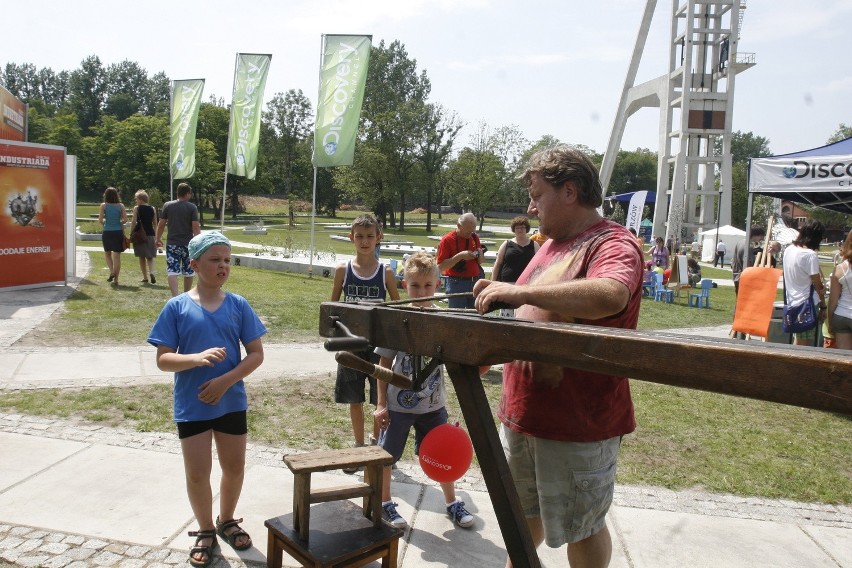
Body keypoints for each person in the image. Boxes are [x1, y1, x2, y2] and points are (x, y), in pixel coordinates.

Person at [472, 145, 643, 568]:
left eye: (536, 194)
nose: (530, 207)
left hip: (580, 422)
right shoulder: (549, 246)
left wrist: (520, 291)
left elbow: (611, 293)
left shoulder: (612, 241)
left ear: (569, 191)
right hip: (525, 413)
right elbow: (534, 313)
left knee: (581, 528)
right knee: (522, 518)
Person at [147, 232, 267, 567]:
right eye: (215, 259)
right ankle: (204, 529)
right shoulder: (176, 307)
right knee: (198, 473)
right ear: (195, 264)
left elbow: (256, 354)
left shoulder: (238, 305)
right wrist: (196, 359)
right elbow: (162, 359)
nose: (223, 266)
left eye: (227, 260)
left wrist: (227, 381)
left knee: (234, 467)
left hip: (230, 402)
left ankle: (226, 519)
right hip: (193, 404)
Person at [372, 252, 477, 530]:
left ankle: (452, 502)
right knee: (386, 456)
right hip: (398, 405)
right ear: (405, 284)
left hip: (433, 405)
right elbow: (383, 363)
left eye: (428, 286)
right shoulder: (397, 318)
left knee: (443, 454)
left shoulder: (443, 321)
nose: (421, 291)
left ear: (438, 285)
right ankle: (383, 502)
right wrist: (381, 403)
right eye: (415, 285)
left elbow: (455, 363)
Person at [331, 214, 400, 469]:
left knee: (378, 398)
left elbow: (397, 307)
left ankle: (375, 445)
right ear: (351, 238)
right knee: (354, 397)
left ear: (378, 238)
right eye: (359, 236)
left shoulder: (386, 272)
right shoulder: (342, 270)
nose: (364, 241)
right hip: (350, 345)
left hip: (378, 346)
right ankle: (358, 447)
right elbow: (332, 309)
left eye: (370, 236)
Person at [782, 219, 827, 347]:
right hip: (807, 304)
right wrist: (823, 306)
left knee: (798, 340)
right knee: (803, 344)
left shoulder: (789, 249)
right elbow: (819, 285)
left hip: (792, 301)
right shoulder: (810, 255)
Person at [156, 182, 201, 297]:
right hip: (188, 244)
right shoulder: (192, 207)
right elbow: (195, 226)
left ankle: (175, 297)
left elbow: (161, 224)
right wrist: (199, 241)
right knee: (189, 271)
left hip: (172, 244)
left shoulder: (168, 205)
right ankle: (186, 295)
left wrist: (157, 238)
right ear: (187, 194)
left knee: (172, 271)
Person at [436, 212, 483, 309]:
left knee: (476, 318)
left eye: (472, 231)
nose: (470, 235)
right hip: (456, 283)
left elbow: (481, 261)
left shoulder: (474, 237)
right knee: (456, 317)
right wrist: (460, 256)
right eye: (467, 232)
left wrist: (480, 254)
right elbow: (440, 266)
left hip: (475, 282)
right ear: (458, 226)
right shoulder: (447, 240)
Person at [492, 216, 539, 284]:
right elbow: (498, 264)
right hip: (507, 283)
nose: (520, 230)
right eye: (517, 228)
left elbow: (539, 265)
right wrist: (492, 282)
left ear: (527, 229)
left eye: (522, 227)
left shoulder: (534, 245)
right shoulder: (506, 244)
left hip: (528, 283)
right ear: (514, 229)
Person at [827, 229, 852, 350]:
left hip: (841, 315)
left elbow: (833, 300)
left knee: (844, 360)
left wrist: (830, 322)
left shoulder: (840, 268)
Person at [98, 187, 126, 287]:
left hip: (107, 232)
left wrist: (106, 222)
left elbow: (100, 220)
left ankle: (112, 272)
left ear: (106, 195)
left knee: (107, 253)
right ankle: (116, 279)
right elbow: (125, 220)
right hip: (118, 232)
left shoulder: (103, 206)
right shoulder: (121, 205)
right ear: (116, 195)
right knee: (117, 256)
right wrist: (118, 222)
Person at [129, 189, 158, 284]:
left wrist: (131, 233)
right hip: (150, 234)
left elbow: (133, 222)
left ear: (141, 199)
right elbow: (155, 223)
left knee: (141, 256)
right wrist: (156, 236)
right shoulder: (152, 208)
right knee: (150, 256)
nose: (136, 201)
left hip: (140, 235)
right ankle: (152, 272)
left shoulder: (137, 208)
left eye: (136, 199)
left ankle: (145, 277)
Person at [731, 225, 766, 294]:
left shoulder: (740, 242)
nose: (761, 238)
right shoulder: (748, 247)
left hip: (737, 275)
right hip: (743, 277)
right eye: (761, 236)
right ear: (756, 235)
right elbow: (749, 264)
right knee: (744, 303)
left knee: (739, 302)